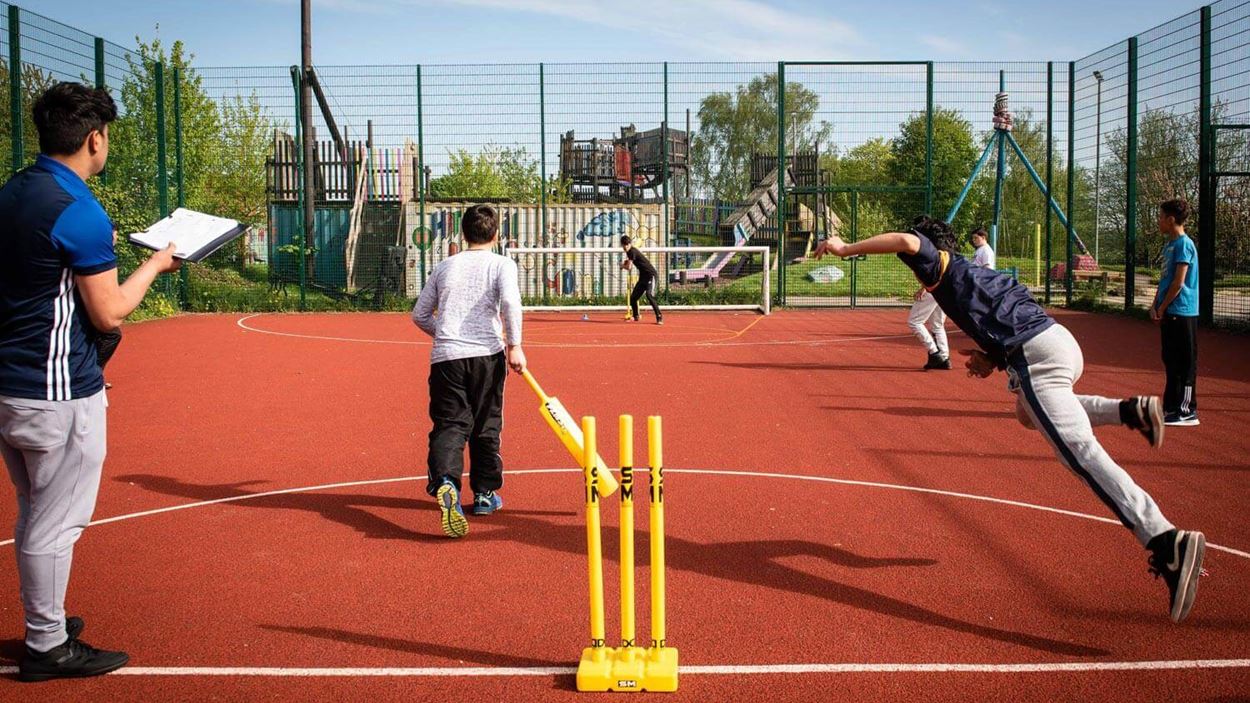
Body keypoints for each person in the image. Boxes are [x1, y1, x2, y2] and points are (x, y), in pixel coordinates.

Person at [812, 215, 1205, 623]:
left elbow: (906, 242)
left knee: (1079, 453)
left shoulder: (938, 264)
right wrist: (991, 359)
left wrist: (846, 248)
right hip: (1058, 342)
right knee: (1027, 414)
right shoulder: (969, 272)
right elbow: (1007, 315)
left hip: (1036, 356)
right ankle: (1129, 411)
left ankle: (1163, 538)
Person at [0, 82, 180, 681]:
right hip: (56, 391)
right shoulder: (78, 209)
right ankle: (47, 646)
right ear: (95, 137)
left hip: (11, 379)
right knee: (57, 521)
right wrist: (155, 264)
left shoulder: (14, 192)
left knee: (35, 511)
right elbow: (109, 311)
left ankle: (45, 620)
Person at [412, 204, 525, 538]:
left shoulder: (445, 266)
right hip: (487, 356)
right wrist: (515, 345)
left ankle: (446, 480)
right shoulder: (502, 264)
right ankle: (485, 494)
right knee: (486, 423)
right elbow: (510, 303)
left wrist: (446, 333)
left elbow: (419, 314)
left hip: (446, 357)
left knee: (450, 424)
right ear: (496, 234)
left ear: (463, 233)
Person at [1150, 199, 1199, 427]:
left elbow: (1178, 283)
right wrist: (1154, 304)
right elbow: (1165, 280)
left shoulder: (1184, 245)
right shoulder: (1168, 246)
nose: (1158, 221)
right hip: (1168, 311)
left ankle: (1187, 410)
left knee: (1185, 362)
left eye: (1161, 217)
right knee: (1170, 359)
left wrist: (1162, 307)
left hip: (1183, 311)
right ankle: (1171, 406)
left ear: (1171, 220)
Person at [620, 235, 663, 325]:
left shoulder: (632, 251)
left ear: (630, 244)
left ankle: (659, 317)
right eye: (623, 245)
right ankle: (636, 316)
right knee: (633, 298)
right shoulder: (629, 252)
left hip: (651, 275)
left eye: (627, 245)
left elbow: (629, 267)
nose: (625, 247)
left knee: (649, 295)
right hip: (643, 277)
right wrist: (626, 263)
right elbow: (631, 261)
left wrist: (622, 266)